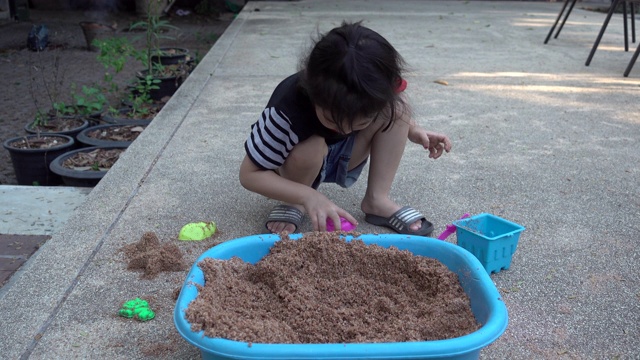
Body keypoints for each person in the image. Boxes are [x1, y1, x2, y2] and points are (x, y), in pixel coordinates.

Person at [239, 21, 452, 234]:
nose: (347, 130)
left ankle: (377, 199)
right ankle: (294, 203)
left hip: (345, 156)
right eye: (333, 120)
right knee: (310, 146)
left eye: (360, 121)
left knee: (398, 109)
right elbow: (249, 174)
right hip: (297, 166)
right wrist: (307, 195)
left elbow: (391, 108)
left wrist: (411, 129)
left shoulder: (376, 85)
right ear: (313, 93)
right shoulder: (285, 110)